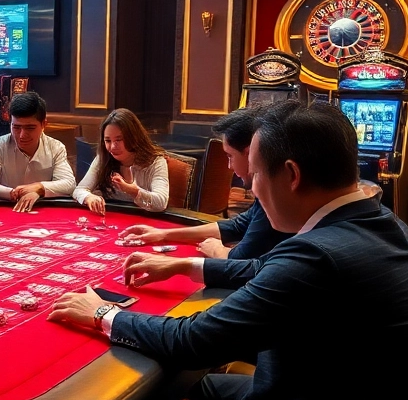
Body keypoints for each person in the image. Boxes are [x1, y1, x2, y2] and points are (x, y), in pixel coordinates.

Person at [49, 100, 408, 400]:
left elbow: (193, 340)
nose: (248, 186)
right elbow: (267, 270)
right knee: (196, 384)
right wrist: (185, 265)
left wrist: (101, 313)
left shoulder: (317, 257)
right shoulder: (380, 222)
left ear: (291, 175)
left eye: (255, 173)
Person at [118, 107, 290, 289]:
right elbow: (239, 225)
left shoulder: (276, 195)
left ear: (250, 153)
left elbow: (241, 260)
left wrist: (216, 250)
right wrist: (163, 234)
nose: (229, 166)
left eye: (230, 156)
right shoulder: (270, 192)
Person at [0, 91, 76, 212]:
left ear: (44, 124)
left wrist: (39, 188)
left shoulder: (55, 147)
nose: (22, 135)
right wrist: (13, 193)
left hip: (42, 210)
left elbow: (69, 184)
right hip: (6, 209)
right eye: (16, 127)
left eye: (30, 128)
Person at [72, 108, 169, 214]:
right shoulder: (103, 158)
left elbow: (161, 202)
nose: (113, 147)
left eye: (119, 140)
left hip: (144, 220)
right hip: (110, 219)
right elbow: (79, 190)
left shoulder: (156, 162)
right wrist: (89, 197)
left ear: (134, 137)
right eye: (108, 141)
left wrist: (133, 191)